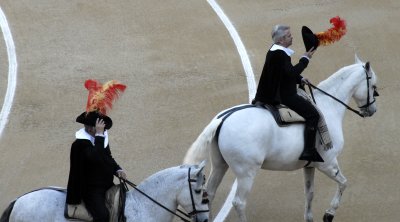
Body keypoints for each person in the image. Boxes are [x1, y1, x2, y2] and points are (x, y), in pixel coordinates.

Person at [253, 24, 324, 162]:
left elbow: (285, 73)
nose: (292, 37)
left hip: (270, 92)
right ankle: (309, 151)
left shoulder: (276, 51)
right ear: (280, 40)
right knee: (313, 115)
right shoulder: (280, 54)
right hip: (282, 95)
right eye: (288, 36)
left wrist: (301, 79)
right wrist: (305, 59)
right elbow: (290, 73)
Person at [66, 79, 127, 222]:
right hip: (90, 190)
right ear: (90, 128)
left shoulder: (100, 138)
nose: (103, 130)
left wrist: (117, 169)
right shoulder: (79, 144)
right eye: (100, 127)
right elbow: (95, 157)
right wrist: (99, 136)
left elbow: (107, 157)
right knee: (103, 216)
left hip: (106, 185)